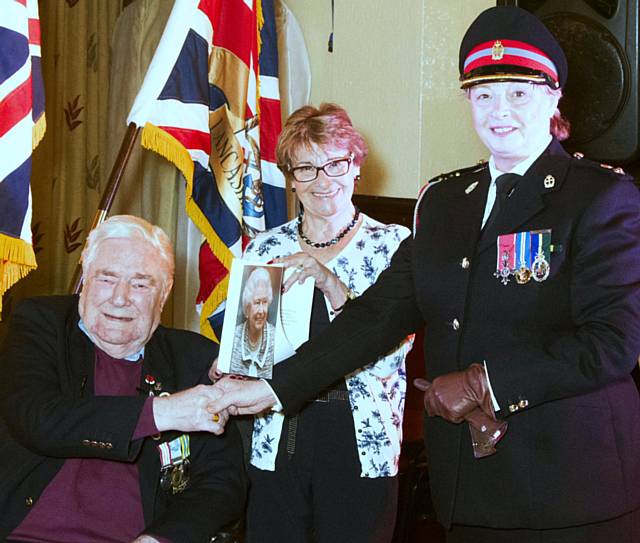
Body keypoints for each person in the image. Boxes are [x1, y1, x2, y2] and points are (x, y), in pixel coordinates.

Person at [209, 7, 640, 543]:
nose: (499, 111)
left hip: (572, 489)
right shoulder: (443, 203)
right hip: (470, 485)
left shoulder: (601, 197)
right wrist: (273, 390)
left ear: (554, 98)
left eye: (519, 94)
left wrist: (487, 383)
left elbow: (614, 343)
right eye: (483, 95)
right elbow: (376, 318)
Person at [215, 103, 413, 543]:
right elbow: (251, 353)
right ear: (290, 178)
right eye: (306, 168)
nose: (324, 181)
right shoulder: (264, 248)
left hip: (359, 439)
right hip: (277, 433)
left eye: (335, 164)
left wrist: (330, 282)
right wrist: (229, 365)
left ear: (356, 165)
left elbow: (389, 342)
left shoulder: (393, 245)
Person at [0, 215, 245, 542]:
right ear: (86, 277)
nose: (120, 297)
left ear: (165, 291)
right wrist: (165, 412)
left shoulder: (195, 358)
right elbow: (38, 419)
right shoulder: (42, 324)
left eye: (141, 283)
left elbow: (221, 482)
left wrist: (161, 538)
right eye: (107, 278)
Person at [229, 267, 276, 378]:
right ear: (247, 308)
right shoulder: (233, 337)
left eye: (264, 302)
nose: (261, 311)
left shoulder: (276, 337)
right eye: (256, 302)